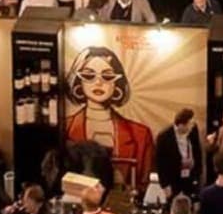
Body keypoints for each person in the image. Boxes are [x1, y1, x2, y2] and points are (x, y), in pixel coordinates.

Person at [62, 46, 154, 185]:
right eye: (88, 76)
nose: (98, 82)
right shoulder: (65, 128)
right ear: (78, 81)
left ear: (116, 82)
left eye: (107, 76)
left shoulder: (141, 134)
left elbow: (143, 183)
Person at [154, 107, 205, 198]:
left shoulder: (193, 130)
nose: (192, 126)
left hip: (191, 178)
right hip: (174, 180)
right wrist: (165, 185)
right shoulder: (164, 137)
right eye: (190, 124)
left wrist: (198, 175)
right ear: (181, 125)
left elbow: (198, 153)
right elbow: (160, 164)